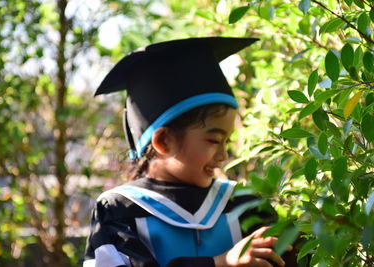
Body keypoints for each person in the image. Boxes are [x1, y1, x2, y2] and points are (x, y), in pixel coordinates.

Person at [83, 37, 294, 267]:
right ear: (163, 141)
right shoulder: (119, 211)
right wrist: (220, 263)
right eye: (214, 140)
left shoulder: (244, 204)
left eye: (228, 141)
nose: (224, 155)